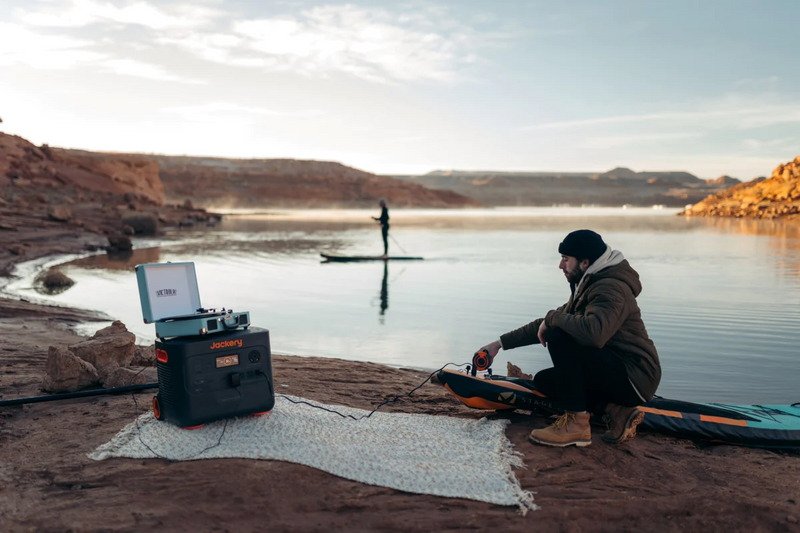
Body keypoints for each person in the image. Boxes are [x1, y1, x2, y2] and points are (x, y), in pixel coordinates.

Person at [478, 229, 661, 447]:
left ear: (584, 262)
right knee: (546, 381)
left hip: (635, 376)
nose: (560, 266)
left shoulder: (609, 288)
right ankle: (617, 411)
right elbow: (543, 324)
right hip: (617, 370)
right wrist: (498, 344)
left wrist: (553, 319)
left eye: (565, 259)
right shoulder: (590, 284)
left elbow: (594, 333)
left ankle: (576, 425)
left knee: (559, 333)